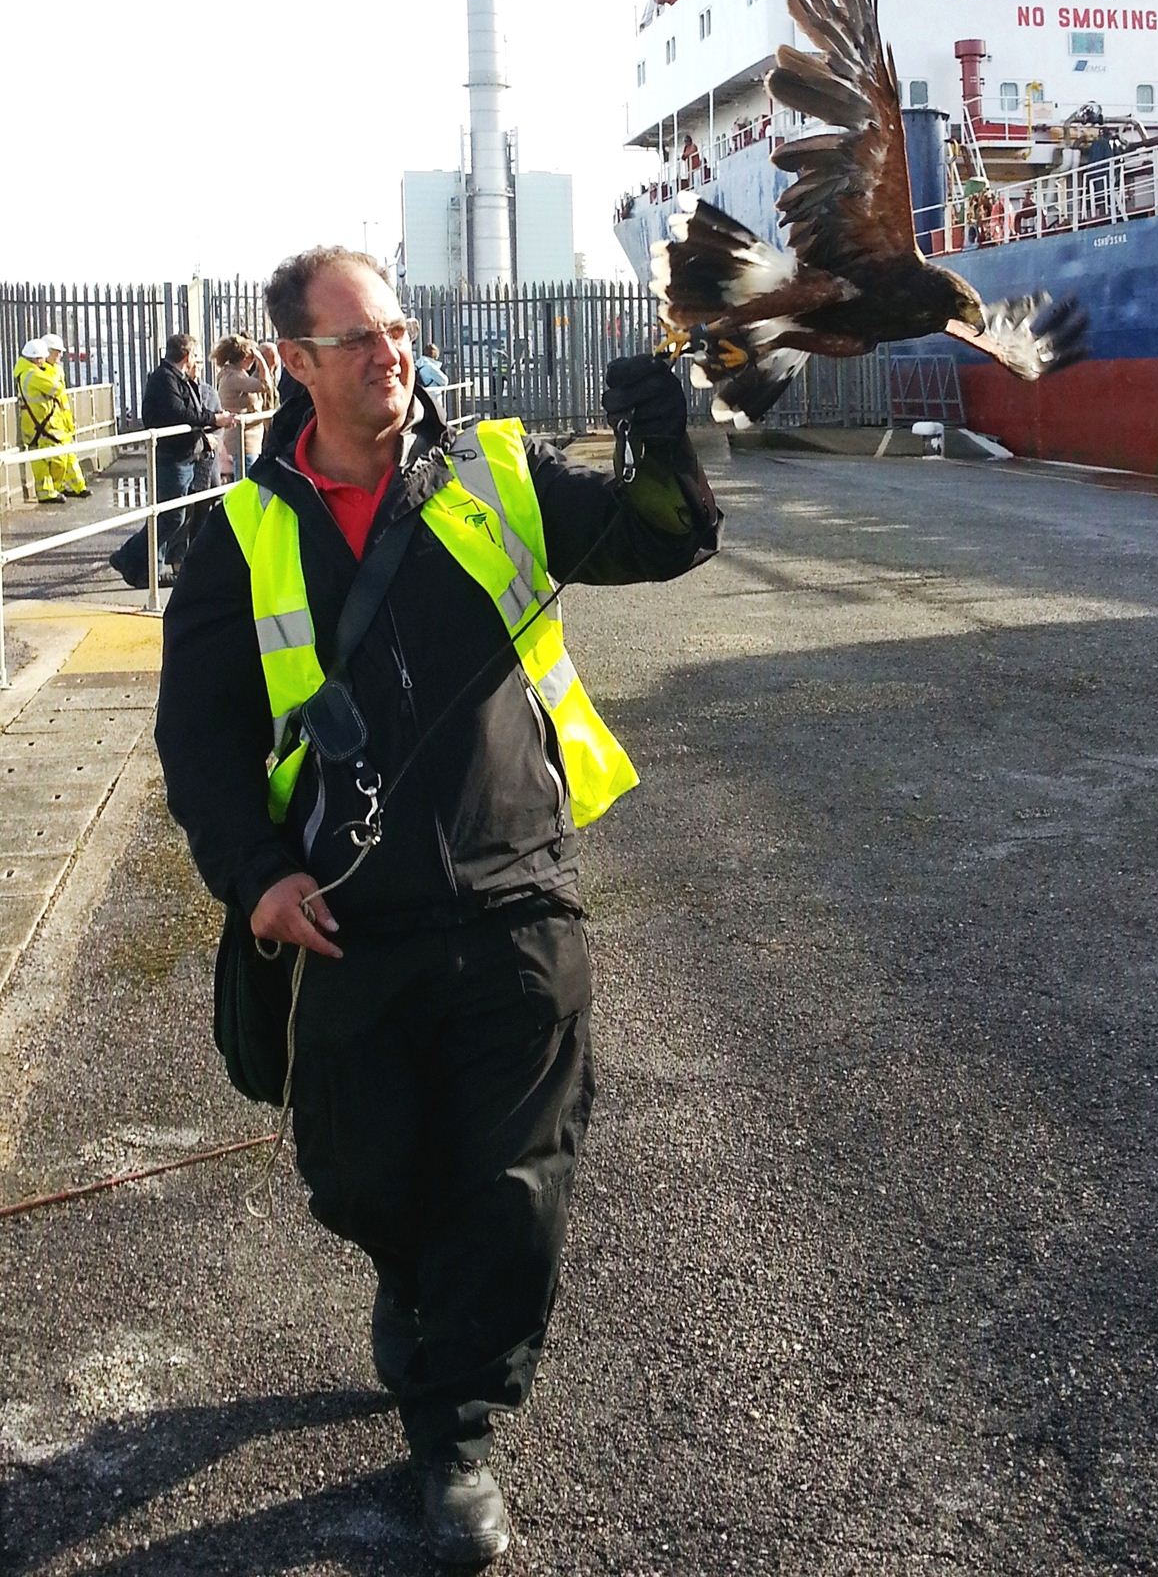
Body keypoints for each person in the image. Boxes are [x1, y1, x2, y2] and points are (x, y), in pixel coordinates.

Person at [154, 245, 720, 1564]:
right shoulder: (241, 536)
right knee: (363, 1176)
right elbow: (200, 737)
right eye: (356, 339)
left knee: (515, 1186)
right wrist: (257, 877)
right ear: (294, 363)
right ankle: (405, 1284)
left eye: (397, 330)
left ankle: (455, 1432)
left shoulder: (496, 472)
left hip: (517, 892)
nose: (389, 355)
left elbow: (662, 534)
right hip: (348, 918)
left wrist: (659, 428)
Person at [109, 333, 232, 588]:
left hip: (185, 455)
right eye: (195, 355)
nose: (196, 361)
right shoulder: (164, 379)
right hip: (173, 457)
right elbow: (180, 413)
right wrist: (214, 419)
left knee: (177, 516)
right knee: (171, 517)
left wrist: (206, 424)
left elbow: (191, 413)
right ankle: (127, 556)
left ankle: (143, 568)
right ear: (186, 356)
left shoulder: (177, 379)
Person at [12, 334, 89, 502]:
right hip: (42, 426)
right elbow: (56, 389)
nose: (59, 356)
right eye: (56, 352)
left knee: (54, 459)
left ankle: (59, 489)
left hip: (47, 424)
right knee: (54, 460)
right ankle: (50, 491)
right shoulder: (34, 374)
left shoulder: (36, 371)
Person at [213, 334, 276, 476]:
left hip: (249, 439)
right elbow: (265, 386)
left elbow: (254, 383)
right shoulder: (234, 377)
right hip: (243, 441)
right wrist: (262, 361)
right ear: (245, 358)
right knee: (247, 480)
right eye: (252, 357)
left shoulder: (235, 374)